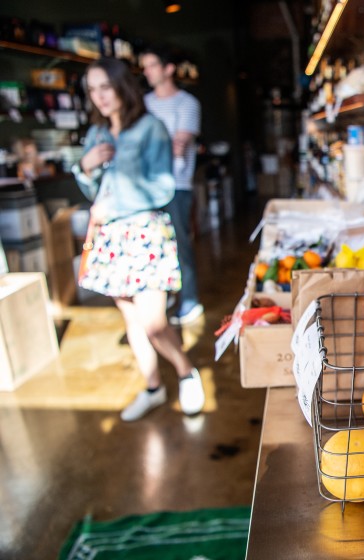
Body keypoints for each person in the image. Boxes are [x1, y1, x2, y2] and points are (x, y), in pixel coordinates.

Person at [72, 57, 205, 421]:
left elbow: (163, 187)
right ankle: (152, 387)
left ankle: (186, 373)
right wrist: (84, 168)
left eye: (105, 87)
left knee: (154, 322)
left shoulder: (151, 128)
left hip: (145, 233)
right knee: (131, 320)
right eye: (92, 89)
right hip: (112, 237)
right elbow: (93, 189)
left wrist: (111, 206)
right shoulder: (97, 135)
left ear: (121, 87)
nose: (99, 96)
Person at [140, 45, 204, 326]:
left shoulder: (187, 103)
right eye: (145, 66)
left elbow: (179, 144)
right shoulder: (144, 103)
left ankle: (189, 299)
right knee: (153, 245)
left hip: (177, 185)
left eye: (152, 65)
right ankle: (162, 298)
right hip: (146, 187)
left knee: (180, 243)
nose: (147, 71)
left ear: (168, 69)